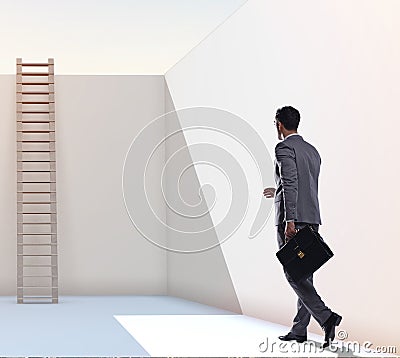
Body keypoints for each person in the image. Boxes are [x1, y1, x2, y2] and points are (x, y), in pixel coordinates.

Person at [263, 106, 342, 349]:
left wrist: (290, 220)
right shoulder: (312, 151)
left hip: (293, 220)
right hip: (312, 217)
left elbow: (291, 182)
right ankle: (299, 330)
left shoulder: (283, 148)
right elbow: (300, 183)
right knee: (304, 273)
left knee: (293, 272)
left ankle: (326, 317)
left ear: (279, 124)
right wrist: (275, 191)